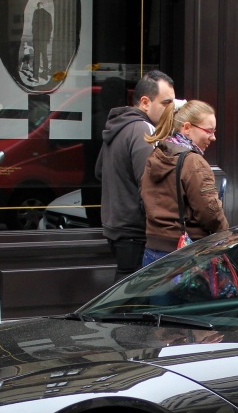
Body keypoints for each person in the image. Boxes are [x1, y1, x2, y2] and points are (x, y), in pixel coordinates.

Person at [94, 70, 176, 278]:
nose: (172, 110)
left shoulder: (120, 125)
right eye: (166, 103)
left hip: (118, 229)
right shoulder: (143, 130)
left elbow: (99, 171)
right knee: (133, 300)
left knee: (126, 293)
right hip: (135, 232)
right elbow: (150, 189)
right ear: (145, 102)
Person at [140, 99, 228, 266]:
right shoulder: (193, 162)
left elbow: (143, 200)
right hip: (186, 255)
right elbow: (210, 213)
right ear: (187, 128)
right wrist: (225, 236)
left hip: (152, 252)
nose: (213, 137)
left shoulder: (156, 155)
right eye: (209, 131)